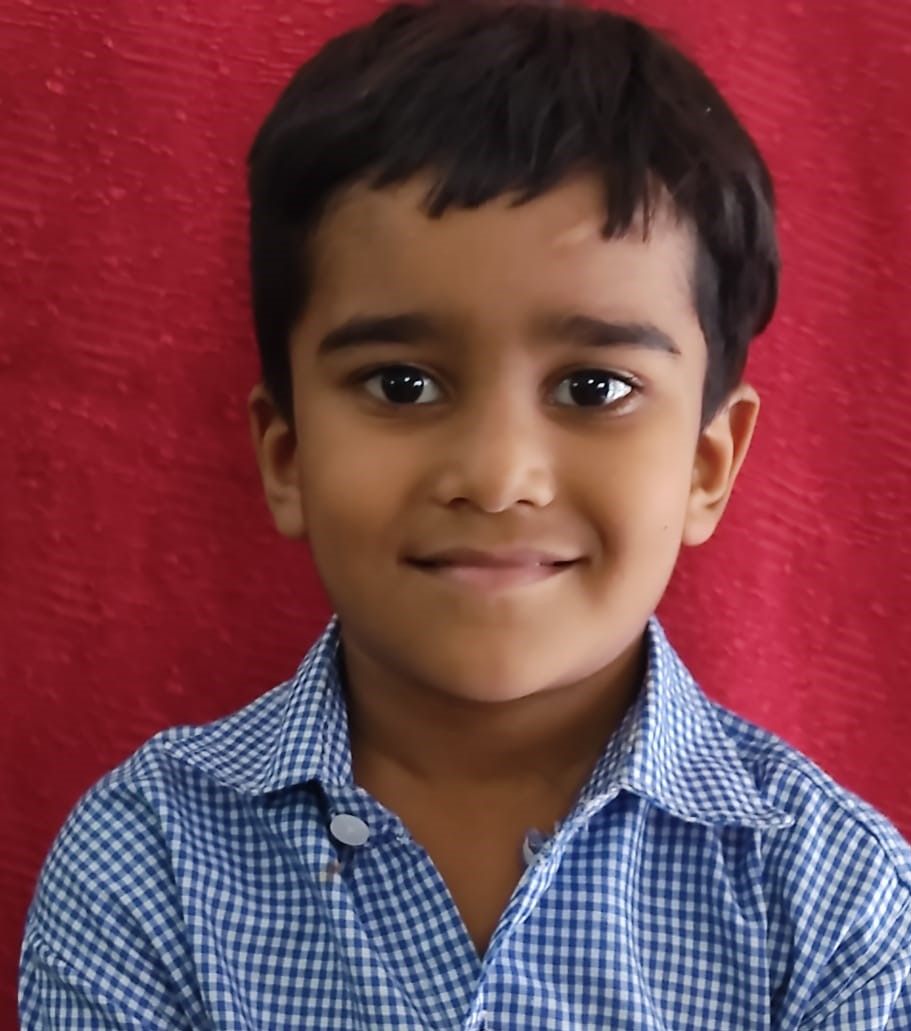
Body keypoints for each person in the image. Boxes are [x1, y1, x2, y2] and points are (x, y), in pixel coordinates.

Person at [19, 1, 911, 1027]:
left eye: (593, 388)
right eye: (401, 384)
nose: (496, 478)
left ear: (706, 466)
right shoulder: (148, 862)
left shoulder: (837, 901)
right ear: (287, 453)